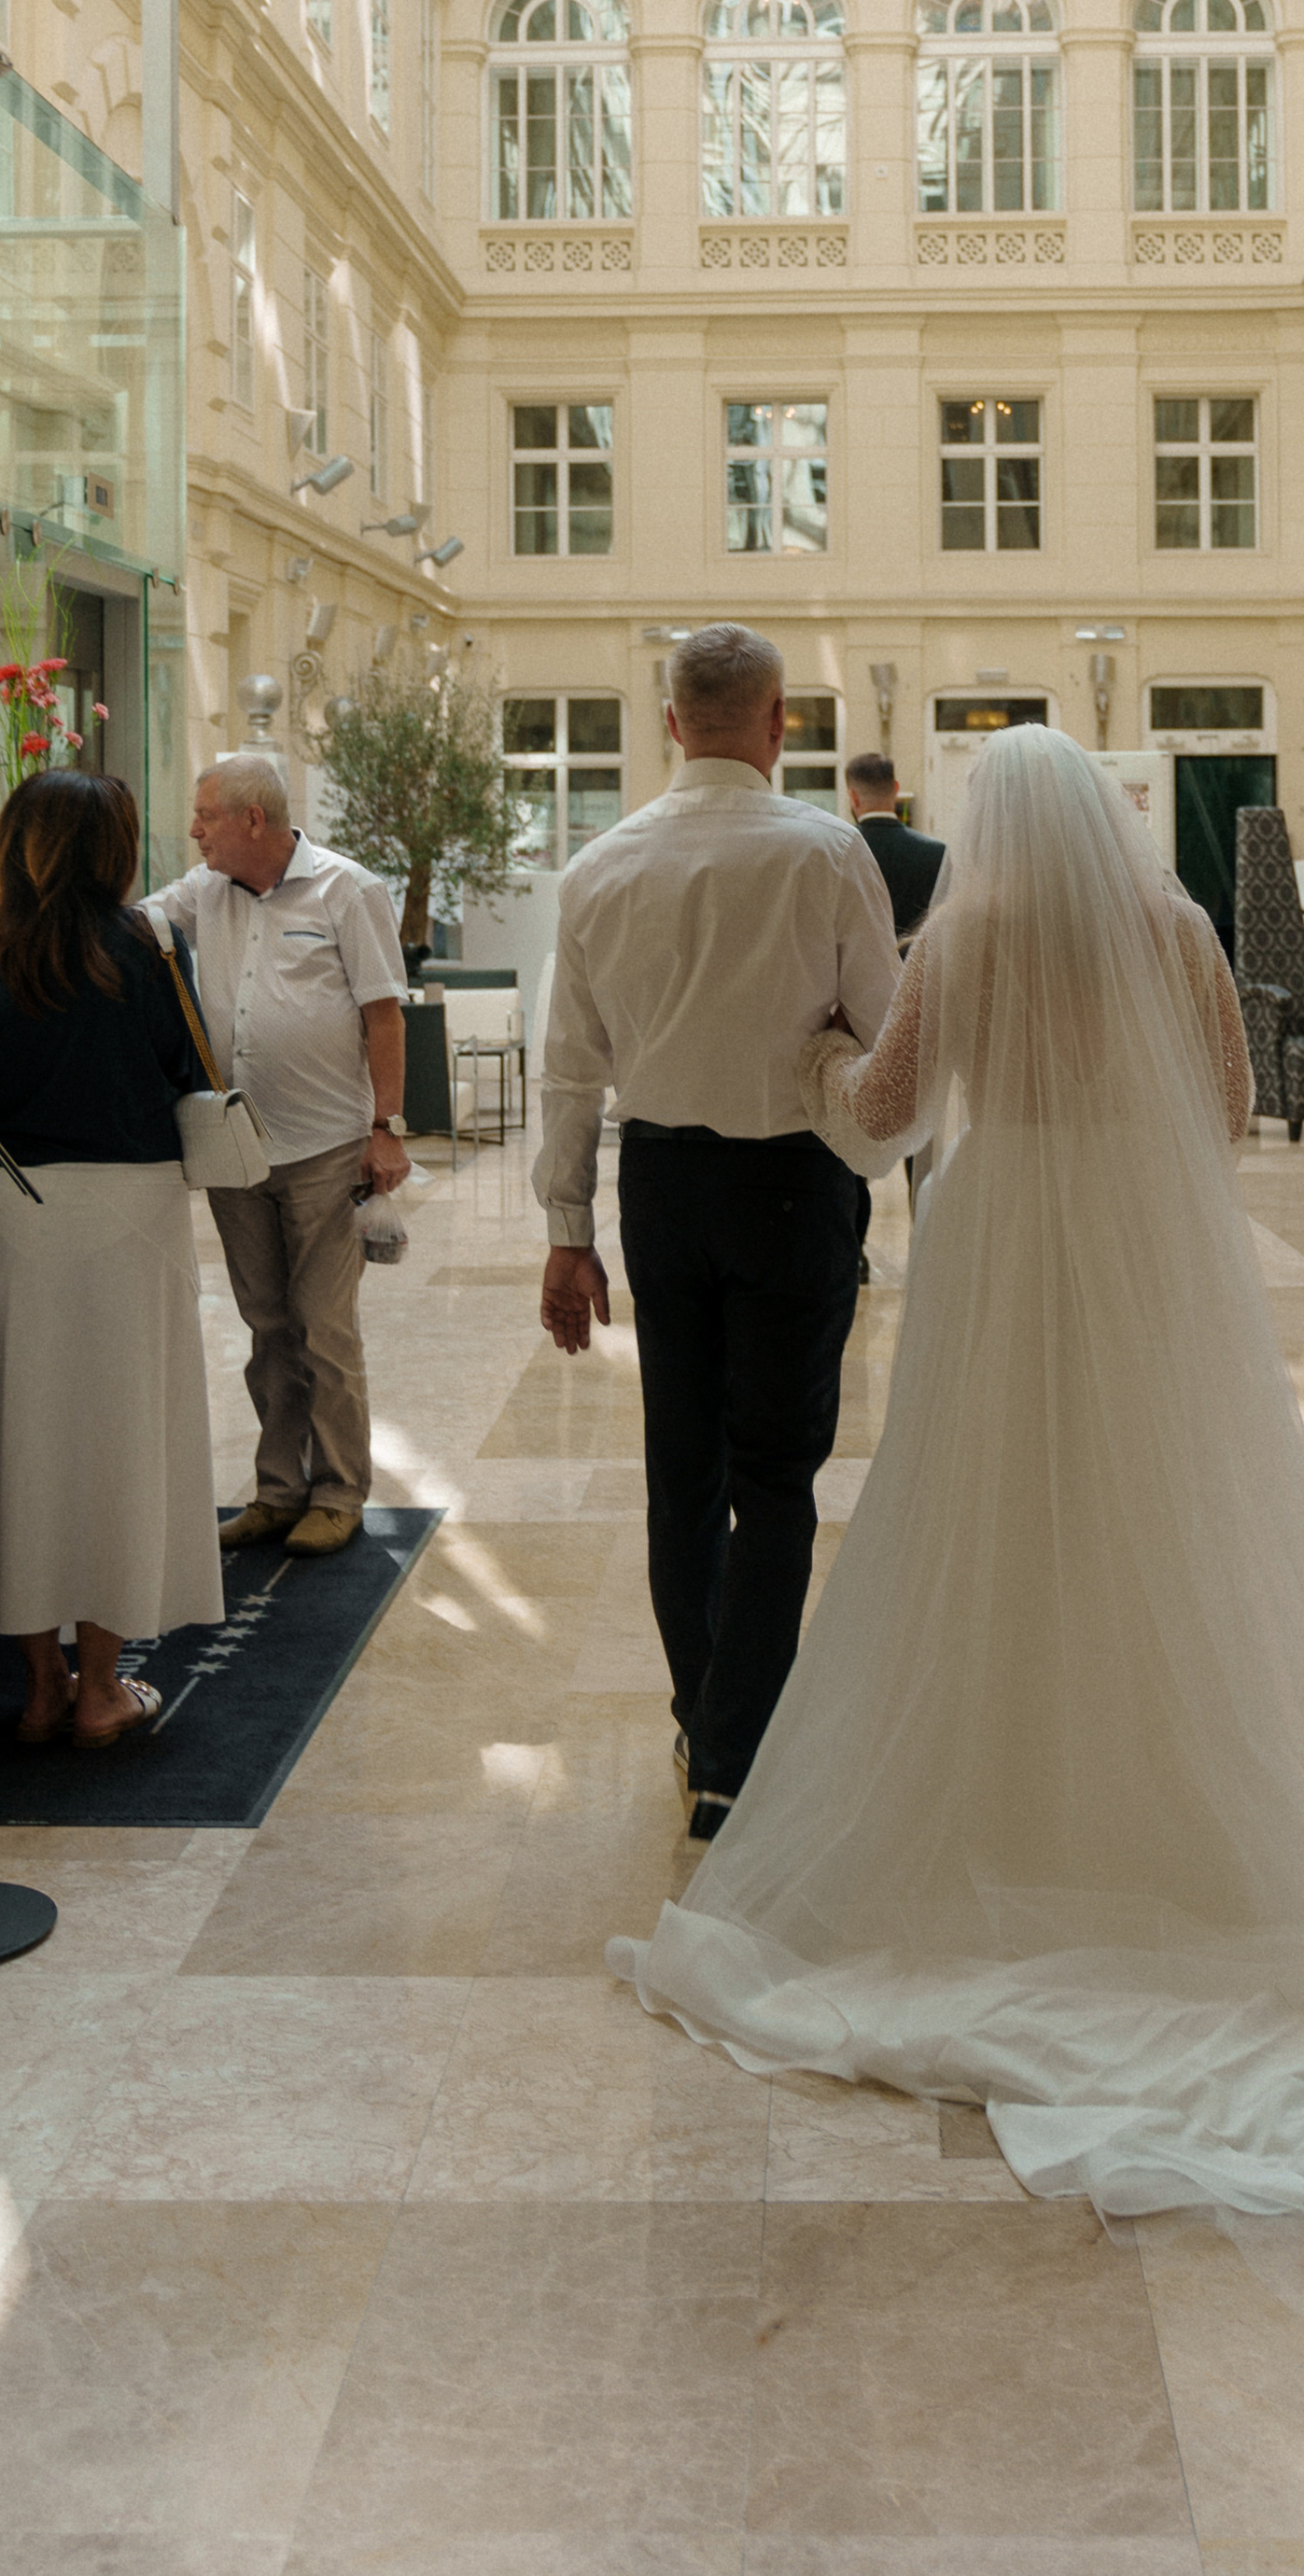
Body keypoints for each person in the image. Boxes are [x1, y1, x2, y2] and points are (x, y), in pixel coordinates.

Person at [609, 725, 1304, 2352]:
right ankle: (1162, 1784)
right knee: (1157, 1513)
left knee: (988, 1511)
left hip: (1001, 1237)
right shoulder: (1174, 927)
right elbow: (1232, 1108)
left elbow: (880, 1117)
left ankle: (1009, 1778)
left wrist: (815, 1058)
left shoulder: (963, 935)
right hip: (1142, 1240)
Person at [536, 623, 904, 1839]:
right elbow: (887, 1038)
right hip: (791, 1185)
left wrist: (566, 1229)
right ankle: (737, 1751)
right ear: (780, 722)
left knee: (680, 1466)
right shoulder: (827, 852)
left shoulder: (600, 867)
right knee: (776, 1475)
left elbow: (569, 1069)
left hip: (660, 1186)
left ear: (670, 723)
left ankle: (705, 1718)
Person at [0, 769, 222, 1744]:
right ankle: (103, 1686)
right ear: (114, 850)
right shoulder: (153, 947)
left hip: (17, 1213)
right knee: (123, 1441)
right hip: (134, 1211)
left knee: (19, 1437)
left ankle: (40, 1684)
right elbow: (187, 1069)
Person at [149, 752, 411, 1558]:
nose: (194, 832)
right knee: (267, 1328)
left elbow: (384, 1015)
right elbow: (135, 926)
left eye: (206, 817)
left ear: (252, 820)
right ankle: (277, 1490)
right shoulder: (205, 891)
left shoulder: (347, 889)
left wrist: (386, 1127)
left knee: (323, 1330)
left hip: (327, 1148)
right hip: (238, 1151)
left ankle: (338, 1492)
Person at [845, 750, 947, 940]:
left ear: (853, 797)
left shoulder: (841, 850)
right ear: (896, 788)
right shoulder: (935, 853)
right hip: (915, 956)